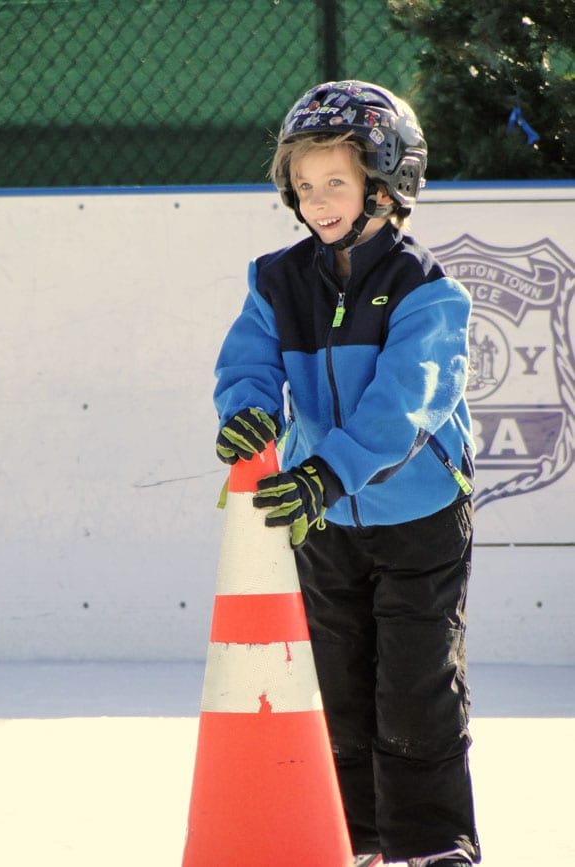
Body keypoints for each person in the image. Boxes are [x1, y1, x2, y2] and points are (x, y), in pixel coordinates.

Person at [213, 80, 480, 867]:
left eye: (336, 180)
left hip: (418, 514)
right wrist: (247, 414)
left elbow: (407, 406)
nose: (318, 199)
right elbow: (247, 363)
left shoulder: (429, 292)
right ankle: (355, 839)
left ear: (387, 183)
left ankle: (433, 842)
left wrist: (328, 472)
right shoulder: (278, 281)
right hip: (321, 520)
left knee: (415, 684)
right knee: (337, 682)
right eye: (304, 185)